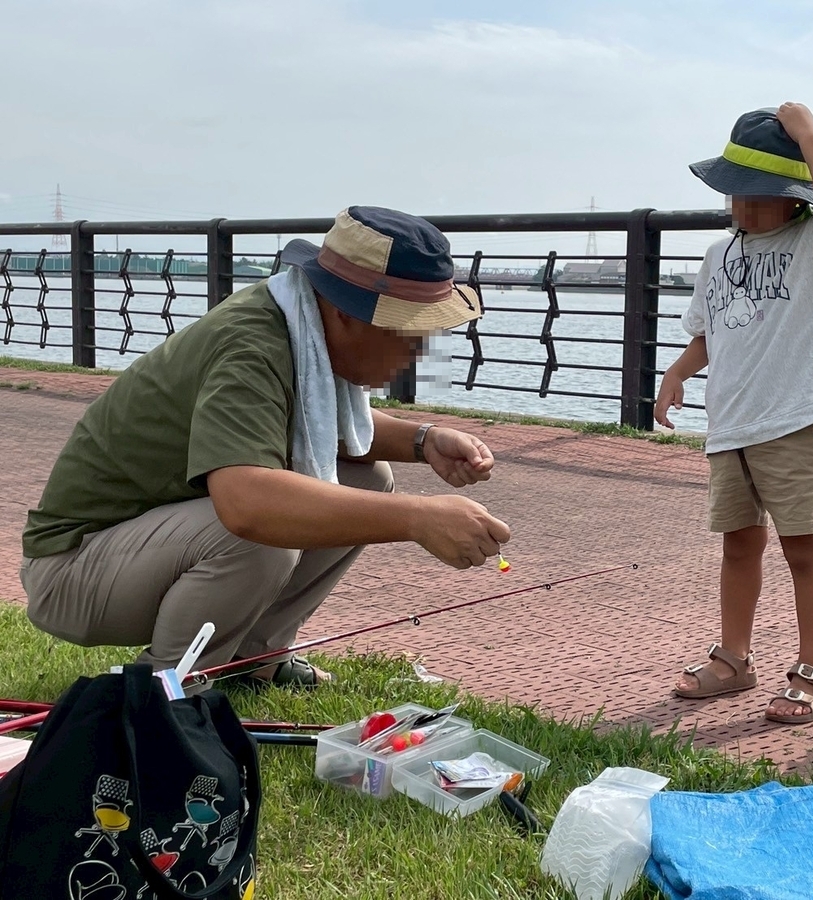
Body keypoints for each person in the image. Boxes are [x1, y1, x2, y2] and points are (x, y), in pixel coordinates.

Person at [19, 206, 511, 685]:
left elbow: (330, 422)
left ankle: (254, 657)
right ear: (345, 312)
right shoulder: (253, 346)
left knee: (370, 479)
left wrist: (424, 441)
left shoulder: (295, 320)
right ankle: (165, 688)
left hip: (133, 552)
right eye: (409, 333)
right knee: (258, 532)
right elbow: (247, 505)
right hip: (72, 571)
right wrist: (417, 518)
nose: (420, 352)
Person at [654, 104, 813, 724]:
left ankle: (812, 672)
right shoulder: (719, 253)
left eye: (760, 196)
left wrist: (810, 135)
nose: (744, 208)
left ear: (795, 197)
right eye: (735, 195)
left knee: (804, 549)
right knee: (738, 546)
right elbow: (709, 331)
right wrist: (676, 374)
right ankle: (735, 659)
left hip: (794, 420)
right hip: (731, 425)